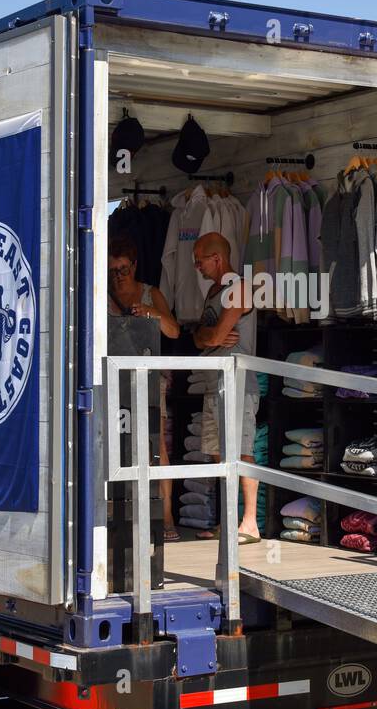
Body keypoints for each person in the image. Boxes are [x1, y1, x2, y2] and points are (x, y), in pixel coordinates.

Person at [108, 237, 182, 540]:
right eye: (112, 270)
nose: (118, 276)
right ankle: (116, 515)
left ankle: (166, 520)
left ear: (134, 265)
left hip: (149, 377)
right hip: (113, 377)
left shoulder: (151, 293)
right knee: (115, 443)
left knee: (156, 446)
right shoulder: (103, 292)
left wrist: (149, 312)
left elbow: (174, 330)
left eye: (123, 269)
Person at [191, 232, 262, 544]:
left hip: (237, 382)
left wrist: (208, 336)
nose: (197, 267)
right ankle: (228, 520)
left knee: (242, 451)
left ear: (216, 258)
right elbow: (198, 338)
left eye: (199, 261)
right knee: (220, 454)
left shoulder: (240, 288)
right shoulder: (212, 293)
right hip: (214, 381)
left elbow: (216, 337)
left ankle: (249, 522)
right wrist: (206, 335)